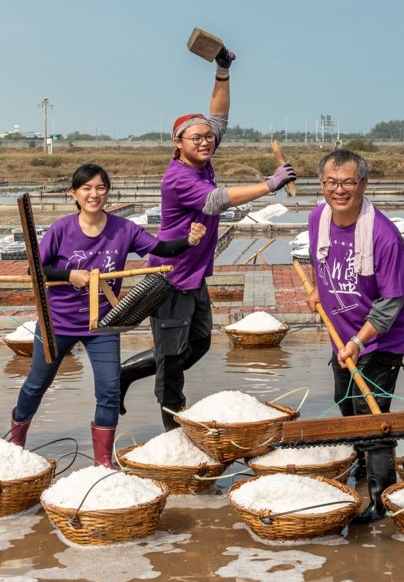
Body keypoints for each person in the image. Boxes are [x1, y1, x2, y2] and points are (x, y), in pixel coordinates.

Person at [125, 46, 296, 430]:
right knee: (171, 359)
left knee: (198, 343)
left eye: (207, 138)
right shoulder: (179, 177)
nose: (205, 141)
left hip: (195, 275)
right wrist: (268, 186)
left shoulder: (202, 154)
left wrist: (222, 70)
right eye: (196, 138)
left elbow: (219, 115)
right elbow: (216, 201)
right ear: (178, 145)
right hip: (169, 278)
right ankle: (172, 425)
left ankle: (130, 374)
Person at [9, 164, 204, 467]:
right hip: (57, 322)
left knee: (110, 391)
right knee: (36, 383)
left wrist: (189, 241)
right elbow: (35, 269)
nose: (94, 194)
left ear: (108, 192)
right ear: (74, 193)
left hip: (103, 324)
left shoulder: (123, 229)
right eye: (86, 188)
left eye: (100, 188)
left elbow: (162, 248)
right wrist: (68, 274)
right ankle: (15, 443)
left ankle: (103, 462)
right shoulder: (62, 229)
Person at [307, 148, 404, 522]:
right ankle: (363, 466)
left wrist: (359, 341)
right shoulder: (317, 219)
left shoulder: (383, 235)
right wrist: (317, 291)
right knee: (345, 401)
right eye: (332, 183)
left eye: (348, 183)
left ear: (363, 184)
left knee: (372, 415)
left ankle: (381, 501)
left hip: (381, 338)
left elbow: (391, 303)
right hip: (343, 335)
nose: (340, 190)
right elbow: (321, 264)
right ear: (322, 184)